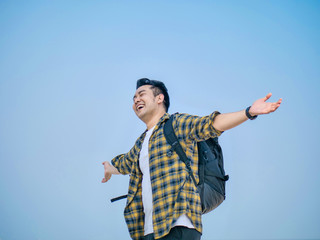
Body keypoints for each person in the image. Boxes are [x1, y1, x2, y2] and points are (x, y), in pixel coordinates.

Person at [102, 78, 282, 240]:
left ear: (159, 98)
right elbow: (125, 163)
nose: (136, 100)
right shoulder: (141, 143)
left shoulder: (176, 124)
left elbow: (211, 124)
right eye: (133, 98)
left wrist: (249, 112)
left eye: (141, 94)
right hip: (149, 230)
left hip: (178, 224)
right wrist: (109, 169)